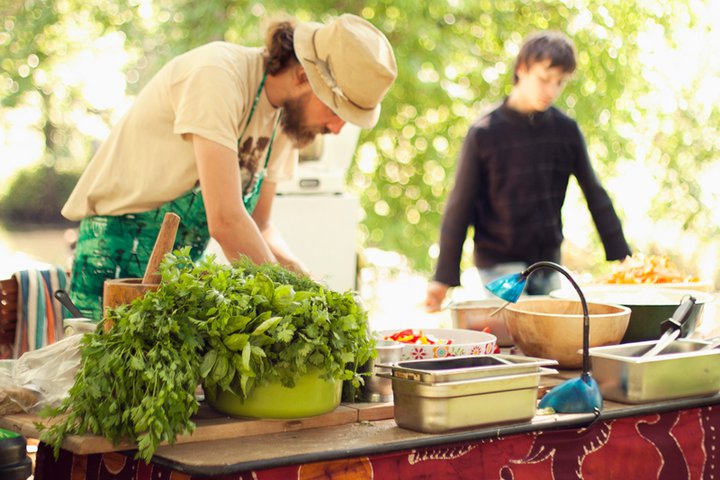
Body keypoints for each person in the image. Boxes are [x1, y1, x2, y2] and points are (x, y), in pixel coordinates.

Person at [62, 14, 397, 320]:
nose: (337, 128)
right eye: (337, 110)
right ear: (301, 76)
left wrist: (312, 289)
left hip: (175, 271)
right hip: (115, 255)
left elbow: (260, 224)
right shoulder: (218, 76)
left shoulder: (285, 119)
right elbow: (225, 220)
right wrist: (293, 303)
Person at [425, 31, 630, 311]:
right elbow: (459, 207)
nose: (552, 90)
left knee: (546, 341)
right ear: (521, 69)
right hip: (500, 266)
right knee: (513, 335)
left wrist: (624, 260)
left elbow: (595, 194)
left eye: (560, 82)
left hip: (548, 264)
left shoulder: (566, 131)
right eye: (544, 79)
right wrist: (442, 278)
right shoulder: (484, 133)